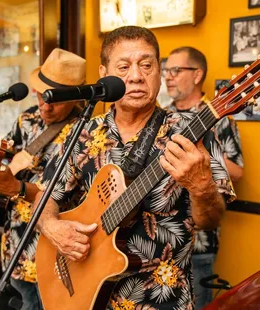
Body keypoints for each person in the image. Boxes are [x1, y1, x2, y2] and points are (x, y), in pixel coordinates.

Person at [35, 26, 235, 309]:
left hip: (162, 300)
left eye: (146, 65)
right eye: (124, 66)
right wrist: (52, 226)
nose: (136, 76)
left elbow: (210, 220)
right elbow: (44, 199)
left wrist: (201, 186)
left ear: (158, 71)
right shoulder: (82, 133)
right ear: (105, 74)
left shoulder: (192, 134)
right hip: (87, 298)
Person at [0, 48, 86, 310]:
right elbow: (3, 154)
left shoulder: (87, 131)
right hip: (16, 245)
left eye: (54, 99)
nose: (45, 105)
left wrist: (16, 187)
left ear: (75, 97)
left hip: (54, 249)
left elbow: (72, 196)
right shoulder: (27, 119)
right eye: (41, 95)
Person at [164, 46, 244, 309]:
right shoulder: (162, 115)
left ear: (197, 75)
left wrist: (199, 157)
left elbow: (238, 170)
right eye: (166, 70)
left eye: (175, 70)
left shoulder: (220, 117)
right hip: (160, 244)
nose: (168, 76)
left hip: (199, 240)